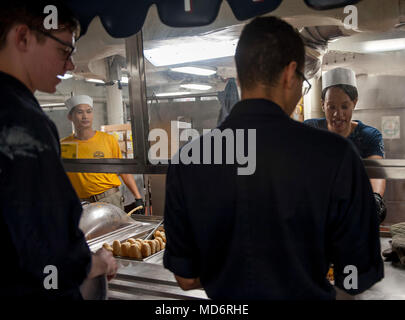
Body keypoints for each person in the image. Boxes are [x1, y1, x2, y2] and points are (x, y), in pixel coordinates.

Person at [163, 16, 384, 300]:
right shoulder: (336, 155)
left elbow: (185, 277)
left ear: (240, 77)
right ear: (290, 74)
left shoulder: (190, 159)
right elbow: (355, 272)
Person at [0, 1, 117, 298]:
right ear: (23, 38)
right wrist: (96, 263)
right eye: (64, 51)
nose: (70, 65)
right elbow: (49, 252)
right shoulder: (22, 121)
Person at [304, 67, 387, 223]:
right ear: (323, 105)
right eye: (331, 107)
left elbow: (376, 172)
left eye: (344, 106)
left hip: (354, 212)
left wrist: (375, 199)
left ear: (354, 103)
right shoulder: (311, 129)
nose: (338, 115)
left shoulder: (369, 136)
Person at [61, 95, 144, 213]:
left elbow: (123, 170)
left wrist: (138, 197)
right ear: (70, 116)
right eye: (80, 112)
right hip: (80, 203)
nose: (85, 116)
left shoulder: (107, 140)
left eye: (89, 111)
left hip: (109, 199)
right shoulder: (65, 145)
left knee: (115, 232)